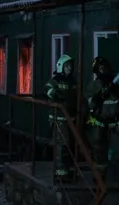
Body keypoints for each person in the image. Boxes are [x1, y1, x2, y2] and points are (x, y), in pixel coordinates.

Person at [85, 56, 119, 182]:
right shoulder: (93, 86)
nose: (103, 71)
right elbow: (90, 104)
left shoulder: (118, 81)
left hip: (117, 122)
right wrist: (100, 96)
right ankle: (100, 176)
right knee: (99, 150)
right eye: (100, 68)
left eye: (104, 67)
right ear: (96, 71)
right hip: (100, 122)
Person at [45, 54, 78, 183]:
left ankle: (68, 170)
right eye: (67, 66)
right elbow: (48, 89)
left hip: (70, 118)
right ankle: (60, 173)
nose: (70, 68)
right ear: (61, 67)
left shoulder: (73, 82)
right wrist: (55, 94)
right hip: (58, 118)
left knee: (69, 145)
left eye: (71, 66)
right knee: (61, 145)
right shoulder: (55, 81)